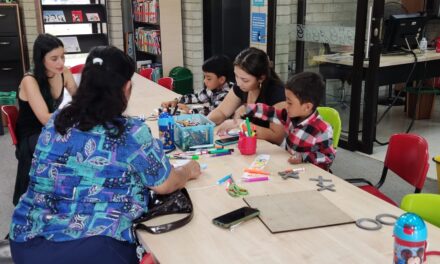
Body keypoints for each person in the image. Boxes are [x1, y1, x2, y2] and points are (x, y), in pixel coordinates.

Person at [9, 46, 201, 264]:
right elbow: (165, 184)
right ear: (127, 87)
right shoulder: (130, 132)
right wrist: (188, 170)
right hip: (92, 249)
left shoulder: (57, 120)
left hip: (26, 243)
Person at [13, 33, 77, 205]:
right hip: (32, 134)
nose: (61, 63)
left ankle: (71, 193)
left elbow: (79, 99)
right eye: (54, 58)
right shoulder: (29, 79)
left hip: (52, 127)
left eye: (63, 57)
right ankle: (59, 195)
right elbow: (44, 119)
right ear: (41, 59)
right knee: (73, 147)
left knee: (83, 138)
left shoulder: (64, 72)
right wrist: (73, 114)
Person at [244, 72, 336, 170]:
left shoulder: (323, 130)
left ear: (307, 107)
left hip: (312, 173)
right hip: (291, 168)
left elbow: (328, 157)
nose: (286, 105)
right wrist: (250, 109)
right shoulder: (290, 116)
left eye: (289, 103)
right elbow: (271, 113)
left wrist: (303, 157)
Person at [208, 47, 286, 145]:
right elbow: (222, 111)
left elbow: (277, 137)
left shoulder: (277, 93)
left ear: (261, 78)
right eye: (236, 76)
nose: (239, 83)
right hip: (249, 146)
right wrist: (205, 123)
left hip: (269, 151)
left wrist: (240, 124)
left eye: (245, 80)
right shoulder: (241, 86)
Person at [161, 55, 234, 115]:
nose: (204, 81)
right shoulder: (213, 88)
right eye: (204, 77)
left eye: (209, 78)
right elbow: (197, 97)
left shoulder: (227, 94)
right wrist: (176, 101)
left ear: (221, 80)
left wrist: (189, 110)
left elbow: (212, 111)